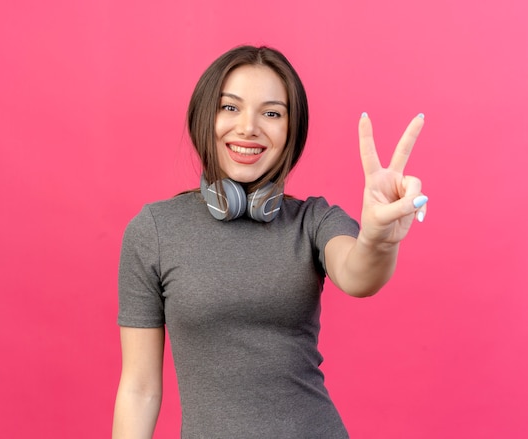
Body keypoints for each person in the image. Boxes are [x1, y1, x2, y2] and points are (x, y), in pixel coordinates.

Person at [112, 45, 428, 438]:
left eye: (272, 113)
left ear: (290, 131)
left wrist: (380, 240)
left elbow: (359, 274)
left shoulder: (314, 221)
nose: (248, 127)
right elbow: (139, 389)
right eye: (230, 107)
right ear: (203, 116)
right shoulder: (154, 232)